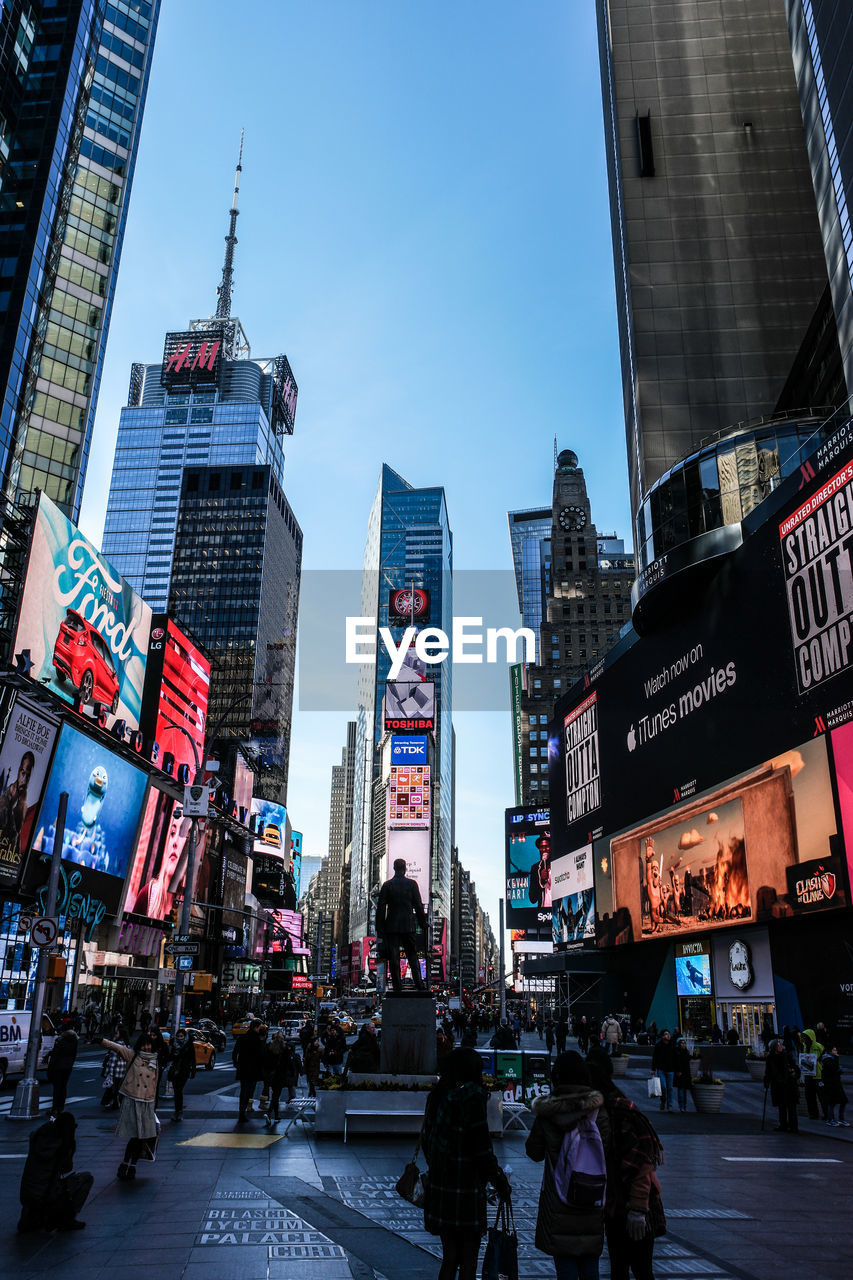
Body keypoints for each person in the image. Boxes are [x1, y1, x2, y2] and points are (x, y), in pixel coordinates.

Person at [423, 1047, 511, 1280]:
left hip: (442, 1187)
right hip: (466, 1189)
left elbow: (428, 1142)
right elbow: (482, 1149)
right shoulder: (471, 1099)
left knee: (450, 1257)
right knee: (469, 1261)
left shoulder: (440, 1096)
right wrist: (500, 1180)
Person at [525, 1051, 605, 1280]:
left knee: (565, 1263)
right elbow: (608, 1147)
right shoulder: (598, 1110)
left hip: (559, 1197)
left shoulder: (548, 1114)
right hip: (593, 1193)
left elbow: (534, 1152)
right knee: (590, 1261)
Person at [587, 1051, 665, 1280]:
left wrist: (638, 1209)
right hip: (614, 1206)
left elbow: (642, 1164)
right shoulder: (605, 1111)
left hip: (634, 1206)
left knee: (641, 1270)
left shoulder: (619, 1112)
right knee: (619, 1269)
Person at [99, 1030, 161, 1181]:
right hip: (133, 1100)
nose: (147, 1047)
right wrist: (102, 1041)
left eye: (149, 1045)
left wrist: (154, 1104)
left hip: (147, 1103)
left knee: (141, 1138)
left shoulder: (155, 1061)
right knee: (135, 1136)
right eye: (144, 1044)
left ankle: (131, 1165)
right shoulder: (132, 1055)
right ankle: (125, 1164)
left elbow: (155, 1083)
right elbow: (117, 1048)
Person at [17, 1113, 92, 1233]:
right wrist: (70, 1145)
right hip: (47, 1195)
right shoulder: (60, 1145)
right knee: (86, 1178)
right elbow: (66, 1168)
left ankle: (38, 1218)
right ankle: (66, 1219)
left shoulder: (39, 1138)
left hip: (28, 1196)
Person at [376, 857, 428, 992]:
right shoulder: (412, 884)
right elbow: (418, 906)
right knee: (412, 955)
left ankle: (397, 986)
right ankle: (419, 984)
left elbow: (381, 908)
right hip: (408, 925)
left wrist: (379, 927)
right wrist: (423, 923)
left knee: (393, 957)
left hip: (391, 926)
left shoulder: (387, 885)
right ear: (405, 869)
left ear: (394, 868)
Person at [764, 1038, 800, 1133]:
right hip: (778, 1085)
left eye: (781, 1045)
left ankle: (793, 1126)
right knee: (782, 1106)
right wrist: (767, 1081)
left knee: (791, 1107)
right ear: (774, 1047)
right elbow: (768, 1071)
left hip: (789, 1085)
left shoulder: (786, 1056)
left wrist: (794, 1073)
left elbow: (795, 1068)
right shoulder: (770, 1058)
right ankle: (783, 1124)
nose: (781, 1046)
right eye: (779, 1045)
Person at [233, 1021, 267, 1122]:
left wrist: (236, 1063)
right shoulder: (257, 1040)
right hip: (253, 1069)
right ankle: (242, 1113)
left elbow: (235, 1052)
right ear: (256, 1028)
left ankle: (241, 1112)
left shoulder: (242, 1038)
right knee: (249, 1090)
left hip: (243, 1067)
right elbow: (262, 1055)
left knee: (243, 1090)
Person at [263, 1031, 299, 1124]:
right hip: (281, 1074)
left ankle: (276, 1116)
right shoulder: (285, 1048)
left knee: (275, 1094)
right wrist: (291, 1072)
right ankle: (269, 1113)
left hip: (271, 1074)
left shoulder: (269, 1047)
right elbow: (288, 1062)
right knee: (276, 1095)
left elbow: (265, 1060)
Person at [46, 1029, 78, 1116]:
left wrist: (50, 1068)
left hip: (58, 1066)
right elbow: (74, 1055)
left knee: (57, 1088)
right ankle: (61, 1108)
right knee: (63, 1087)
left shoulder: (60, 1041)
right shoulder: (74, 1042)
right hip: (67, 1067)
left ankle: (55, 1108)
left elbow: (55, 1056)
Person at [167, 1027, 196, 1121]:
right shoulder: (173, 1044)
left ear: (185, 1036)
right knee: (177, 1091)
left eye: (181, 1036)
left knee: (179, 1090)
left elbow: (193, 1058)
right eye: (178, 1036)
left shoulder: (189, 1045)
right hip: (175, 1070)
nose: (180, 1038)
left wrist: (193, 1070)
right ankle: (178, 1111)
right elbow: (169, 1056)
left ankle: (178, 1111)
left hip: (184, 1070)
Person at [819, 1045, 849, 1126]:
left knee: (843, 1101)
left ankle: (840, 1119)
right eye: (834, 1050)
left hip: (836, 1083)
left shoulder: (830, 1059)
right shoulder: (827, 1060)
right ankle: (830, 1119)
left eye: (836, 1050)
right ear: (830, 1051)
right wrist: (838, 1064)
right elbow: (834, 1069)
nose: (836, 1052)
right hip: (831, 1084)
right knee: (832, 1102)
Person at [651, 1028, 676, 1113]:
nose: (668, 1035)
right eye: (666, 1034)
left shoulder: (672, 1045)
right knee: (663, 1087)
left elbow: (676, 1057)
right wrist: (653, 1069)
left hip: (671, 1069)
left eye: (668, 1034)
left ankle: (670, 1106)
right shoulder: (658, 1045)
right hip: (661, 1069)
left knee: (670, 1088)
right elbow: (655, 1058)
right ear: (662, 1036)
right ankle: (663, 1100)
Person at [101, 1031, 127, 1109]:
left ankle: (112, 1103)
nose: (114, 1035)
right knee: (117, 1088)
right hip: (121, 1071)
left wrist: (110, 1073)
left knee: (112, 1088)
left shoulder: (116, 1046)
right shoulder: (125, 1045)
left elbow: (113, 1061)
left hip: (115, 1071)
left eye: (116, 1033)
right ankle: (116, 1102)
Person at [673, 1037, 692, 1113]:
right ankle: (681, 1106)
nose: (683, 1045)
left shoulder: (686, 1052)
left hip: (686, 1073)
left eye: (684, 1043)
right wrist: (678, 1071)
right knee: (681, 1090)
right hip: (680, 1073)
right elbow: (677, 1063)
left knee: (684, 1091)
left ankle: (684, 1106)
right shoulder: (678, 1052)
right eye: (682, 1043)